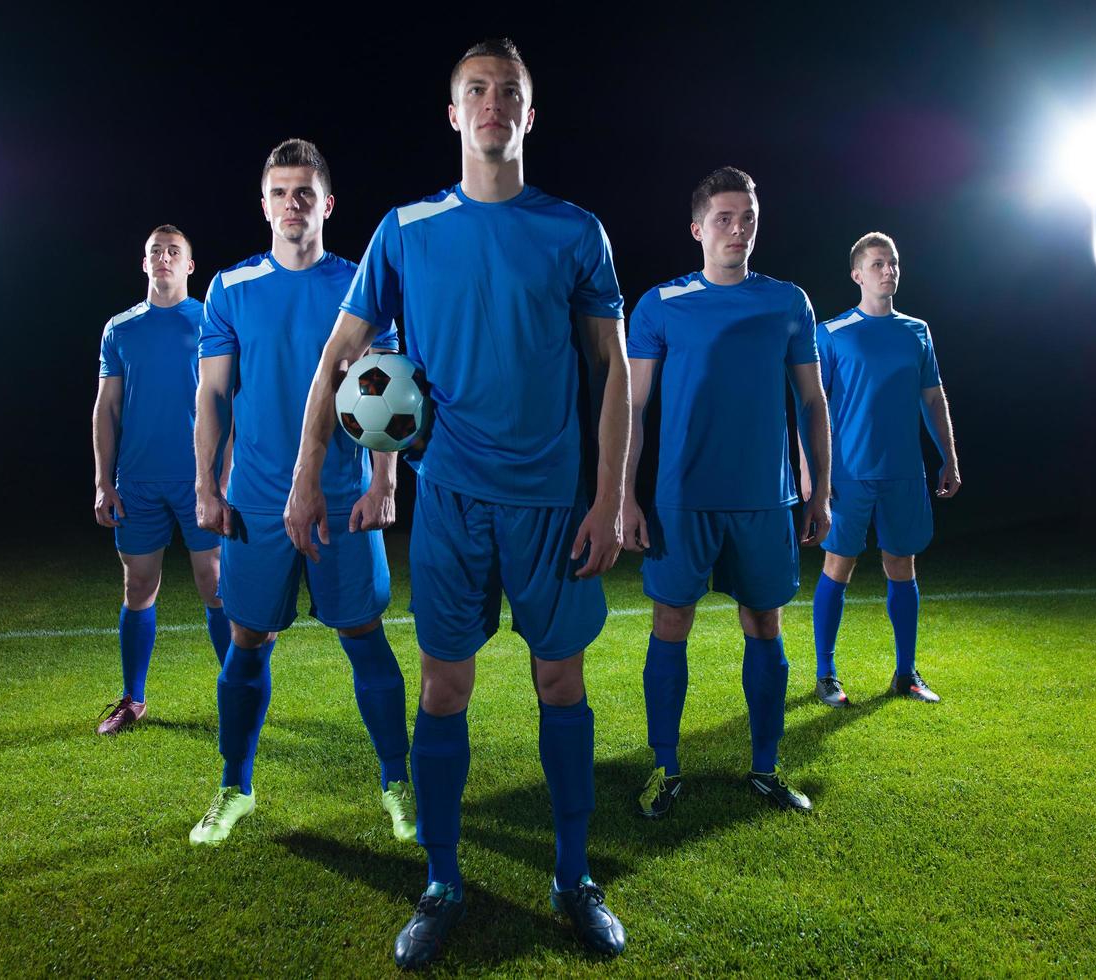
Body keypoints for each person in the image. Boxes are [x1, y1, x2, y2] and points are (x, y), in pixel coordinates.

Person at [287, 38, 631, 968]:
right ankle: (442, 882)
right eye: (474, 90)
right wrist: (306, 474)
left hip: (556, 505)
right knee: (445, 687)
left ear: (528, 114)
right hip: (449, 502)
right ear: (452, 114)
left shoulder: (575, 230)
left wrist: (610, 498)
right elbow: (339, 360)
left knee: (560, 682)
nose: (491, 103)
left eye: (508, 92)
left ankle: (572, 877)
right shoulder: (405, 230)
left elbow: (612, 375)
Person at [189, 139, 414, 847]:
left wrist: (384, 481)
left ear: (327, 204)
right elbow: (213, 396)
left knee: (361, 632)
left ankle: (396, 783)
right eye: (281, 193)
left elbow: (387, 392)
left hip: (346, 492)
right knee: (248, 636)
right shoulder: (229, 287)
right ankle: (235, 786)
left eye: (304, 193)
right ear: (264, 205)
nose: (293, 204)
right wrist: (205, 485)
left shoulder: (360, 288)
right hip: (254, 497)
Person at [623, 166, 832, 820]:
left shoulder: (787, 301)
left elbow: (811, 400)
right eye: (723, 218)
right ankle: (664, 767)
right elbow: (632, 405)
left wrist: (818, 488)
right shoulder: (661, 303)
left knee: (763, 625)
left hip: (763, 499)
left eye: (747, 218)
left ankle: (765, 767)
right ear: (697, 228)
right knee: (670, 623)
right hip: (681, 496)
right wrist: (625, 494)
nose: (737, 229)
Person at [806, 232, 961, 708]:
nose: (888, 270)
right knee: (839, 566)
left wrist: (949, 457)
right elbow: (814, 406)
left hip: (903, 472)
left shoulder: (917, 331)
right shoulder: (831, 333)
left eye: (892, 263)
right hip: (849, 474)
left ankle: (905, 674)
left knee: (902, 566)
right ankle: (827, 674)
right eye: (878, 264)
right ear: (857, 274)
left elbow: (933, 398)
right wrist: (815, 477)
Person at [92, 225, 231, 735]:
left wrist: (224, 477)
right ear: (144, 262)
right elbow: (106, 408)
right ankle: (134, 699)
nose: (164, 258)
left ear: (190, 265)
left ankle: (235, 688)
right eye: (156, 251)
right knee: (138, 586)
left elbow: (229, 405)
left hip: (201, 478)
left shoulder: (210, 322)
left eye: (175, 252)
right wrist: (104, 481)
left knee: (214, 583)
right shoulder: (120, 328)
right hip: (139, 479)